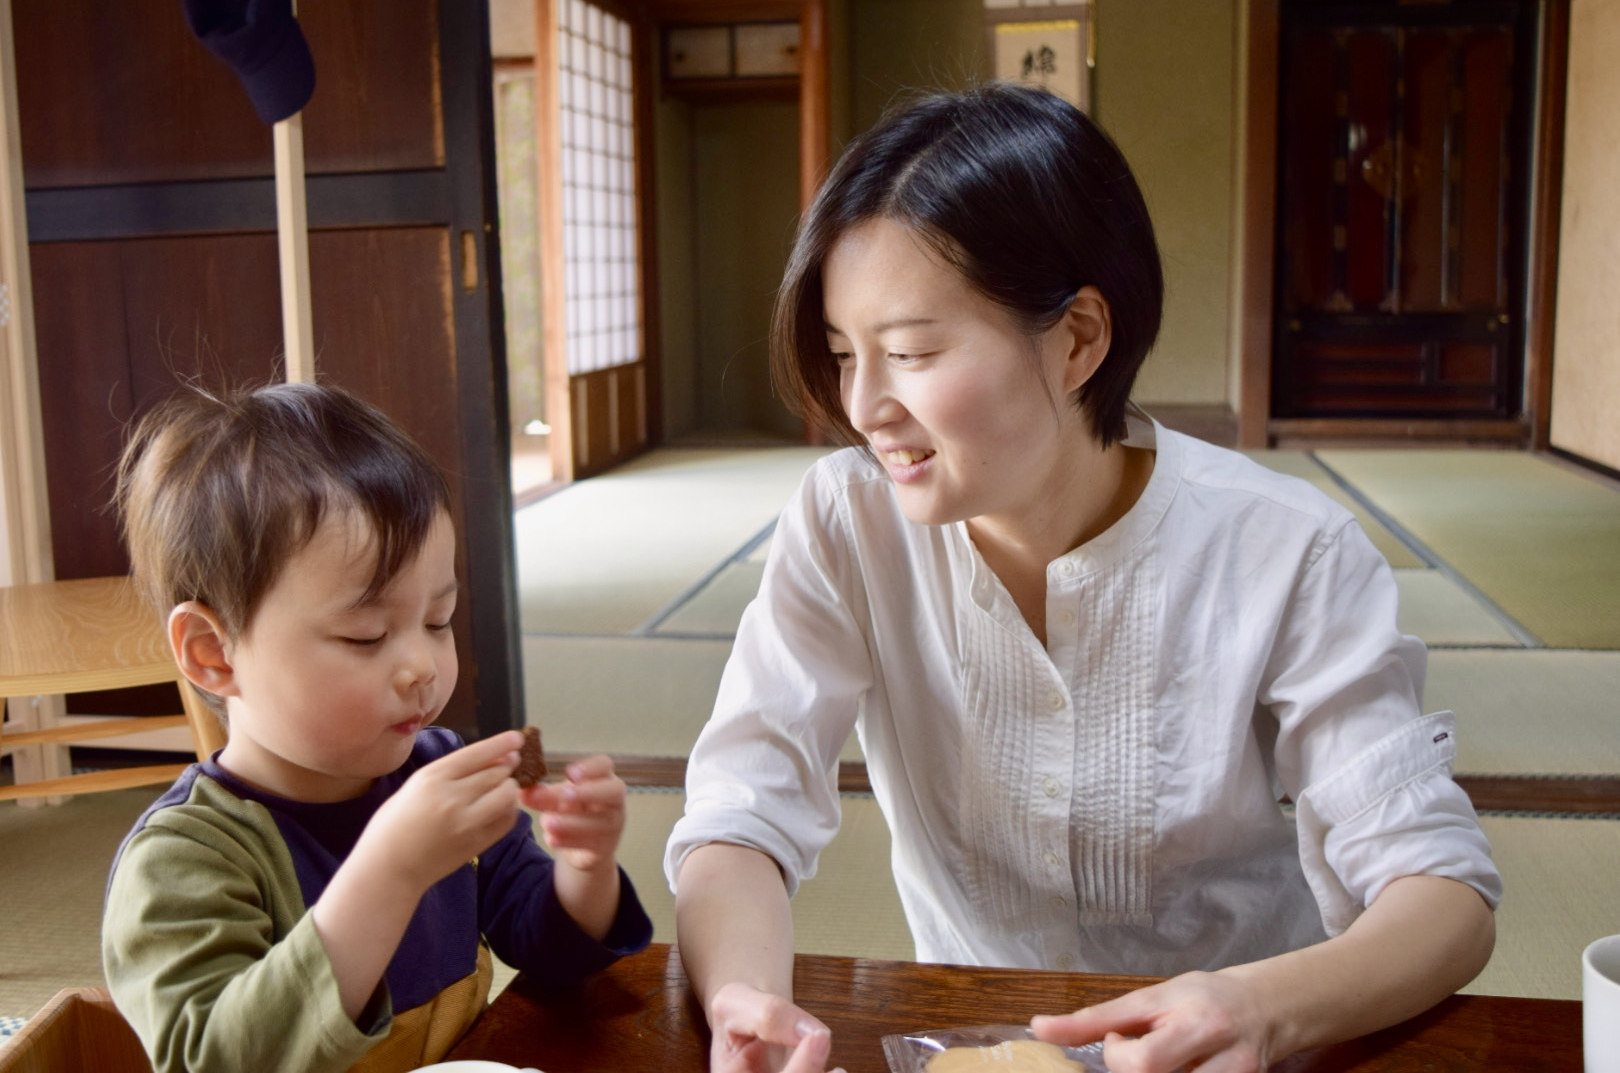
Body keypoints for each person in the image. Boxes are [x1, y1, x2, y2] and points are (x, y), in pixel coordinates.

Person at [664, 83, 1500, 1073]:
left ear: (1078, 339)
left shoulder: (1284, 547)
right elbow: (739, 815)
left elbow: (1440, 891)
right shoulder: (844, 520)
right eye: (846, 356)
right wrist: (746, 1002)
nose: (864, 406)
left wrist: (1257, 1009)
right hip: (973, 1049)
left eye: (912, 352)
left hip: (1234, 1050)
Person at [104, 382, 652, 1073]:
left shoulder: (434, 775)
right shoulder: (186, 860)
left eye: (438, 622)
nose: (422, 665)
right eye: (366, 635)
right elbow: (214, 1061)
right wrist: (391, 868)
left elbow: (550, 951)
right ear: (214, 654)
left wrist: (584, 870)